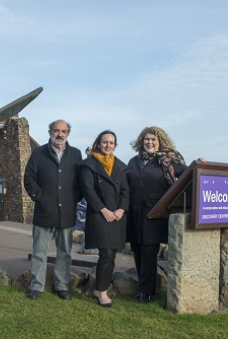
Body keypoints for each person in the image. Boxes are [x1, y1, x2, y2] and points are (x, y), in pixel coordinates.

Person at [126, 126, 201, 303]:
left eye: (153, 140)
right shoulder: (133, 161)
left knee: (149, 252)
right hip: (134, 213)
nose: (149, 142)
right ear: (141, 142)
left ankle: (147, 292)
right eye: (146, 139)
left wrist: (199, 165)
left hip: (154, 214)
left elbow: (186, 173)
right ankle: (142, 287)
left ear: (160, 142)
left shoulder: (167, 161)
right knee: (137, 250)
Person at [23, 119, 83, 300]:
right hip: (44, 212)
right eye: (56, 131)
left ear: (68, 134)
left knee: (64, 252)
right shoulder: (38, 153)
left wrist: (73, 200)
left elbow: (81, 182)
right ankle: (36, 287)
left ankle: (61, 286)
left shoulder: (76, 154)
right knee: (39, 252)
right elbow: (29, 179)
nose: (60, 134)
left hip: (66, 213)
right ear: (50, 132)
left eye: (63, 131)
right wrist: (40, 197)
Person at [78, 130, 129, 307]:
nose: (108, 145)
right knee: (106, 253)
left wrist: (122, 209)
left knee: (111, 254)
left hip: (117, 216)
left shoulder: (121, 166)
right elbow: (88, 190)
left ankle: (102, 287)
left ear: (115, 145)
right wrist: (103, 210)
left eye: (111, 143)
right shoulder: (88, 165)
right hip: (100, 215)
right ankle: (102, 292)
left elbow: (125, 191)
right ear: (98, 143)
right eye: (105, 142)